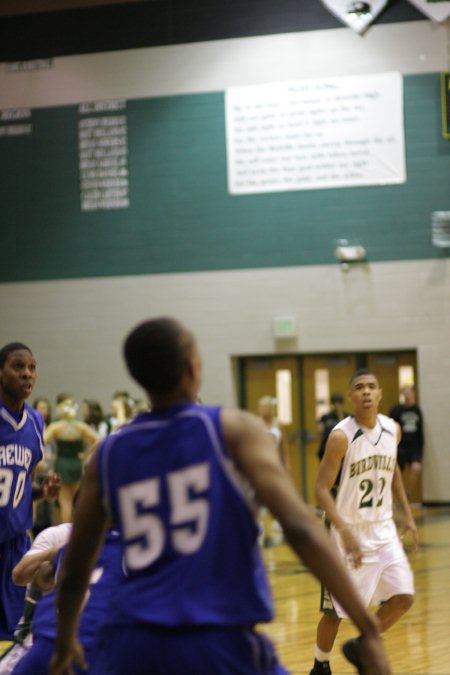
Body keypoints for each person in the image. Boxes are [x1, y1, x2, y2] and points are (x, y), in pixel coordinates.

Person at [50, 318, 391, 675]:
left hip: (132, 643)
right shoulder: (232, 430)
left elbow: (74, 568)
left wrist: (63, 641)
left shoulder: (108, 455)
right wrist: (367, 627)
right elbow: (299, 527)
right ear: (193, 368)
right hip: (216, 638)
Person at [309, 368, 419, 675]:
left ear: (381, 393)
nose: (367, 391)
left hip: (382, 528)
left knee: (403, 597)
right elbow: (319, 490)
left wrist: (407, 515)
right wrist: (344, 531)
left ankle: (362, 644)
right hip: (346, 530)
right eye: (360, 387)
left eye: (372, 386)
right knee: (334, 613)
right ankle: (320, 664)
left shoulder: (392, 429)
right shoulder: (341, 436)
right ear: (351, 396)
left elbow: (393, 470)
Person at [0, 343, 60, 641]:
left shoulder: (36, 422)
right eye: (18, 367)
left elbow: (21, 486)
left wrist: (42, 492)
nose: (27, 374)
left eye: (32, 368)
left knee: (16, 636)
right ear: (1, 373)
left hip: (14, 547)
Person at [10, 527, 123, 675]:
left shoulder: (71, 546)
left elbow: (40, 580)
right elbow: (21, 575)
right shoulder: (142, 553)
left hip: (50, 635)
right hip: (95, 644)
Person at [44, 394, 99, 523]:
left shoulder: (56, 427)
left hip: (62, 463)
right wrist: (85, 455)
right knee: (76, 500)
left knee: (65, 502)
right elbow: (98, 440)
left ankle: (65, 534)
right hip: (76, 463)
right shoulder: (80, 426)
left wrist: (45, 456)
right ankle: (75, 531)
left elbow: (41, 441)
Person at [257, 396, 289, 546]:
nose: (261, 410)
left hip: (275, 463)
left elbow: (284, 446)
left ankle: (279, 522)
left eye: (264, 407)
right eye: (260, 407)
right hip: (261, 463)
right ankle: (260, 525)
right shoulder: (256, 424)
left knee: (279, 493)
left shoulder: (278, 424)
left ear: (270, 409)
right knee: (260, 494)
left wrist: (286, 464)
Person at [389, 385, 424, 502]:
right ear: (402, 393)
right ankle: (393, 499)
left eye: (410, 392)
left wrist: (421, 448)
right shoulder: (396, 410)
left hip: (414, 447)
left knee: (416, 468)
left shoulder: (417, 410)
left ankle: (407, 494)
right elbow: (390, 428)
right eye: (406, 392)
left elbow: (420, 431)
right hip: (400, 447)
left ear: (413, 393)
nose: (408, 394)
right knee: (395, 473)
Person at [317, 393, 349, 462]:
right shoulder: (326, 417)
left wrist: (340, 415)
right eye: (335, 404)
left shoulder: (347, 417)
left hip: (342, 449)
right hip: (326, 448)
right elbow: (320, 432)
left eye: (339, 404)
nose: (337, 406)